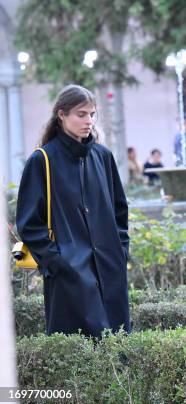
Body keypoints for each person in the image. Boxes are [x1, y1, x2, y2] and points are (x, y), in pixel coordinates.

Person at [16, 84, 130, 338]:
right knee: (77, 355)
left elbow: (120, 211)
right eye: (81, 114)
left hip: (109, 270)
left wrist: (120, 251)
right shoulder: (42, 160)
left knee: (117, 351)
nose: (88, 121)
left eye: (92, 114)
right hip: (69, 275)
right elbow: (29, 223)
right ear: (62, 115)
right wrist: (58, 262)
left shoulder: (102, 157)